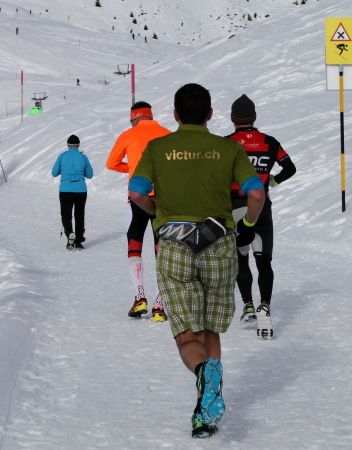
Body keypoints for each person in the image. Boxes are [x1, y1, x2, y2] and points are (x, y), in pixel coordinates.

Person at [128, 83, 265, 438]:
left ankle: (204, 376)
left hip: (175, 246)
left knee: (187, 333)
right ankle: (206, 412)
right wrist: (248, 226)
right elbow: (256, 193)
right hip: (219, 243)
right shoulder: (229, 149)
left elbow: (136, 192)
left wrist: (156, 212)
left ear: (175, 115)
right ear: (210, 115)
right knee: (210, 328)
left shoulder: (158, 148)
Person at [226, 94, 296, 323]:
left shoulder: (227, 143)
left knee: (241, 258)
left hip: (235, 206)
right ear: (254, 117)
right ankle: (264, 306)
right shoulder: (270, 142)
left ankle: (248, 306)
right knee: (263, 260)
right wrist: (272, 181)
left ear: (232, 119)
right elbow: (290, 168)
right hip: (262, 206)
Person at [106, 101, 171, 322]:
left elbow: (111, 163)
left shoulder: (128, 135)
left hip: (136, 198)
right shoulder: (167, 134)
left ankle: (139, 297)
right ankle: (159, 305)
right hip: (163, 199)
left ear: (134, 117)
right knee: (163, 249)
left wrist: (133, 168)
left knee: (134, 245)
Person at [51, 135, 94, 250]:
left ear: (68, 145)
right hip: (81, 190)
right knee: (79, 215)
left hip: (65, 189)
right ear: (78, 145)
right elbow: (90, 175)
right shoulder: (83, 157)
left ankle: (70, 233)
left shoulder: (62, 156)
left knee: (66, 214)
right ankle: (78, 241)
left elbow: (54, 173)